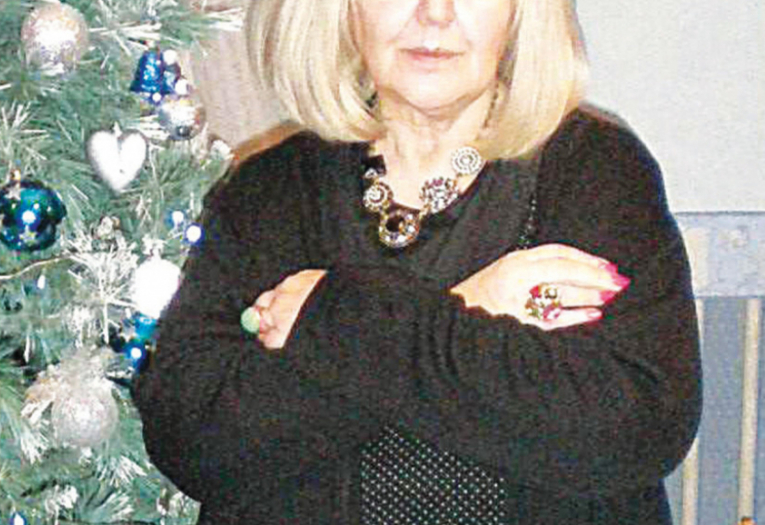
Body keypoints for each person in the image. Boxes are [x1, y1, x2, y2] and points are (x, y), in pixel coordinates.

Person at [132, 0, 702, 523]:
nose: (435, 13)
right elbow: (197, 442)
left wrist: (332, 320)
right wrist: (471, 304)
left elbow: (632, 434)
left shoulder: (594, 171)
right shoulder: (270, 189)